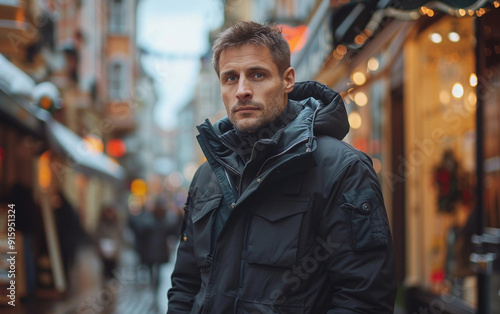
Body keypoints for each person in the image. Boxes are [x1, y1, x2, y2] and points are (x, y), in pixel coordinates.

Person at [168, 21, 396, 313]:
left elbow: (364, 301)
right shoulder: (208, 175)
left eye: (257, 75)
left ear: (288, 80)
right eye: (230, 78)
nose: (242, 91)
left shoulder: (342, 169)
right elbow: (186, 286)